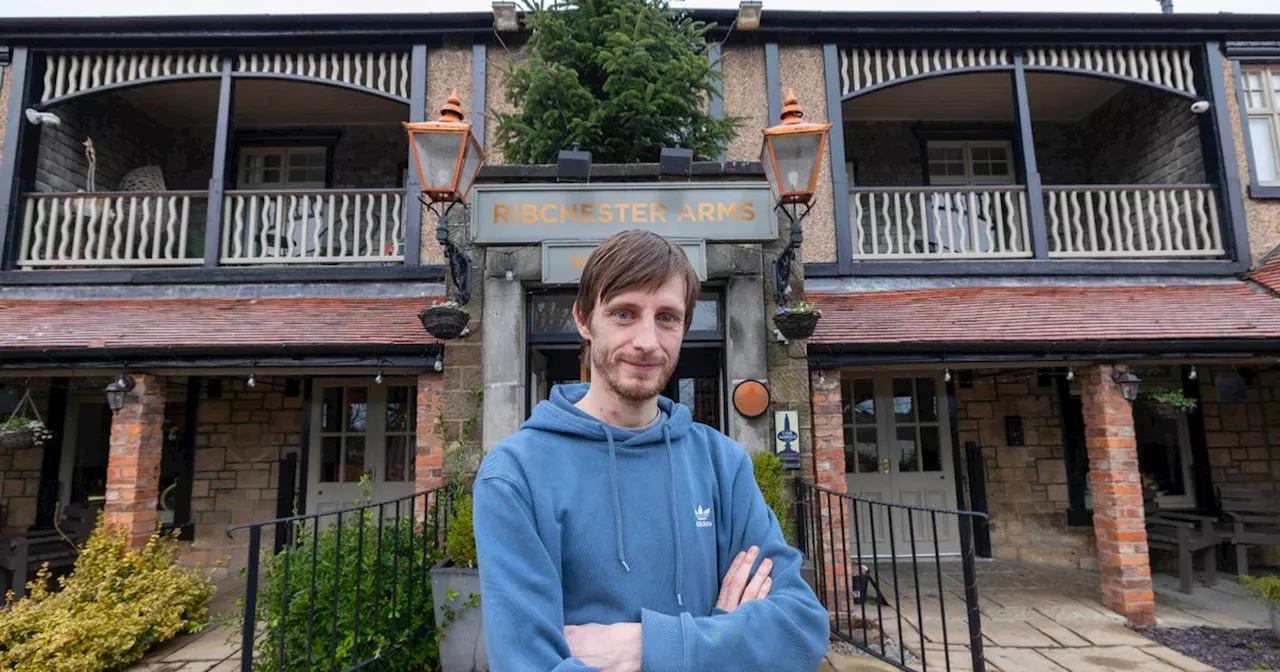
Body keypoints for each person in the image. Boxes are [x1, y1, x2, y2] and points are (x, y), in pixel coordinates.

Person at [472, 229, 830, 671]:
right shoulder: (514, 476)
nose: (647, 340)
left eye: (667, 317)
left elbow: (800, 628)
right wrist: (725, 638)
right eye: (624, 313)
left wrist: (650, 647)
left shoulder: (722, 464)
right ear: (584, 319)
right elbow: (530, 665)